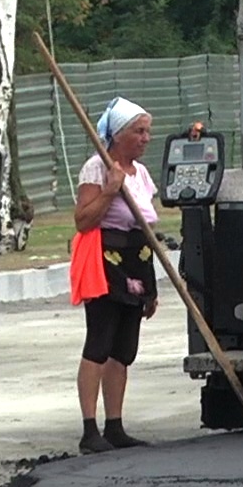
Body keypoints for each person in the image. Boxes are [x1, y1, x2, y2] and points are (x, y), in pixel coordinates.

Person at [71, 97, 161, 454]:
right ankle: (89, 430)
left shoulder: (142, 174)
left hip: (137, 261)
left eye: (147, 131)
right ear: (119, 134)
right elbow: (83, 220)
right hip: (106, 262)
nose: (145, 138)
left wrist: (152, 288)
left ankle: (115, 425)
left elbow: (148, 226)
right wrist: (110, 189)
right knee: (100, 342)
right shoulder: (98, 168)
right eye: (139, 131)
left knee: (124, 349)